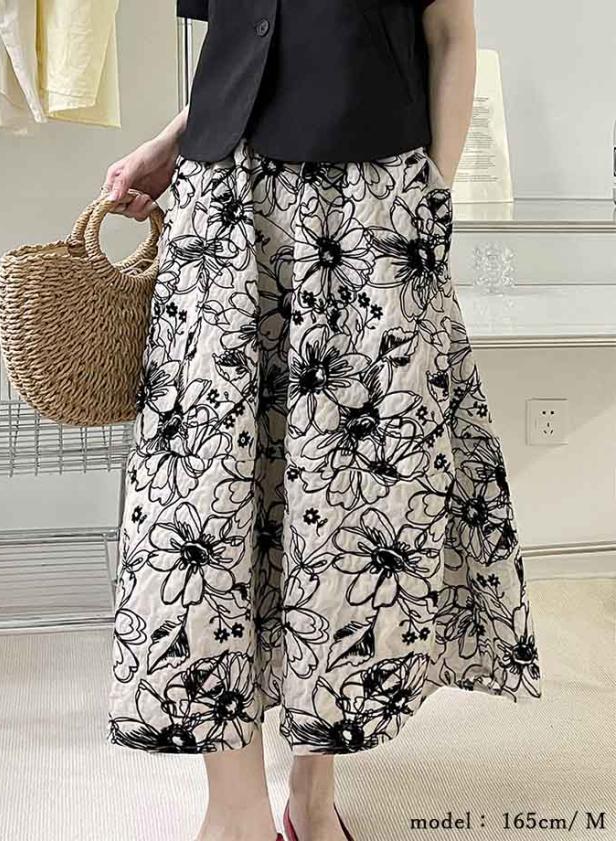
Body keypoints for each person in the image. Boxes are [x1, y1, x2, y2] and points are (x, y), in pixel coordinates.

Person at [102, 2, 542, 840]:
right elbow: (251, 39)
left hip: (369, 209)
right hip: (226, 202)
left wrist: (431, 198)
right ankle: (235, 811)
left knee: (343, 509)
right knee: (204, 502)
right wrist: (168, 143)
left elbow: (450, 33)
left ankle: (312, 790)